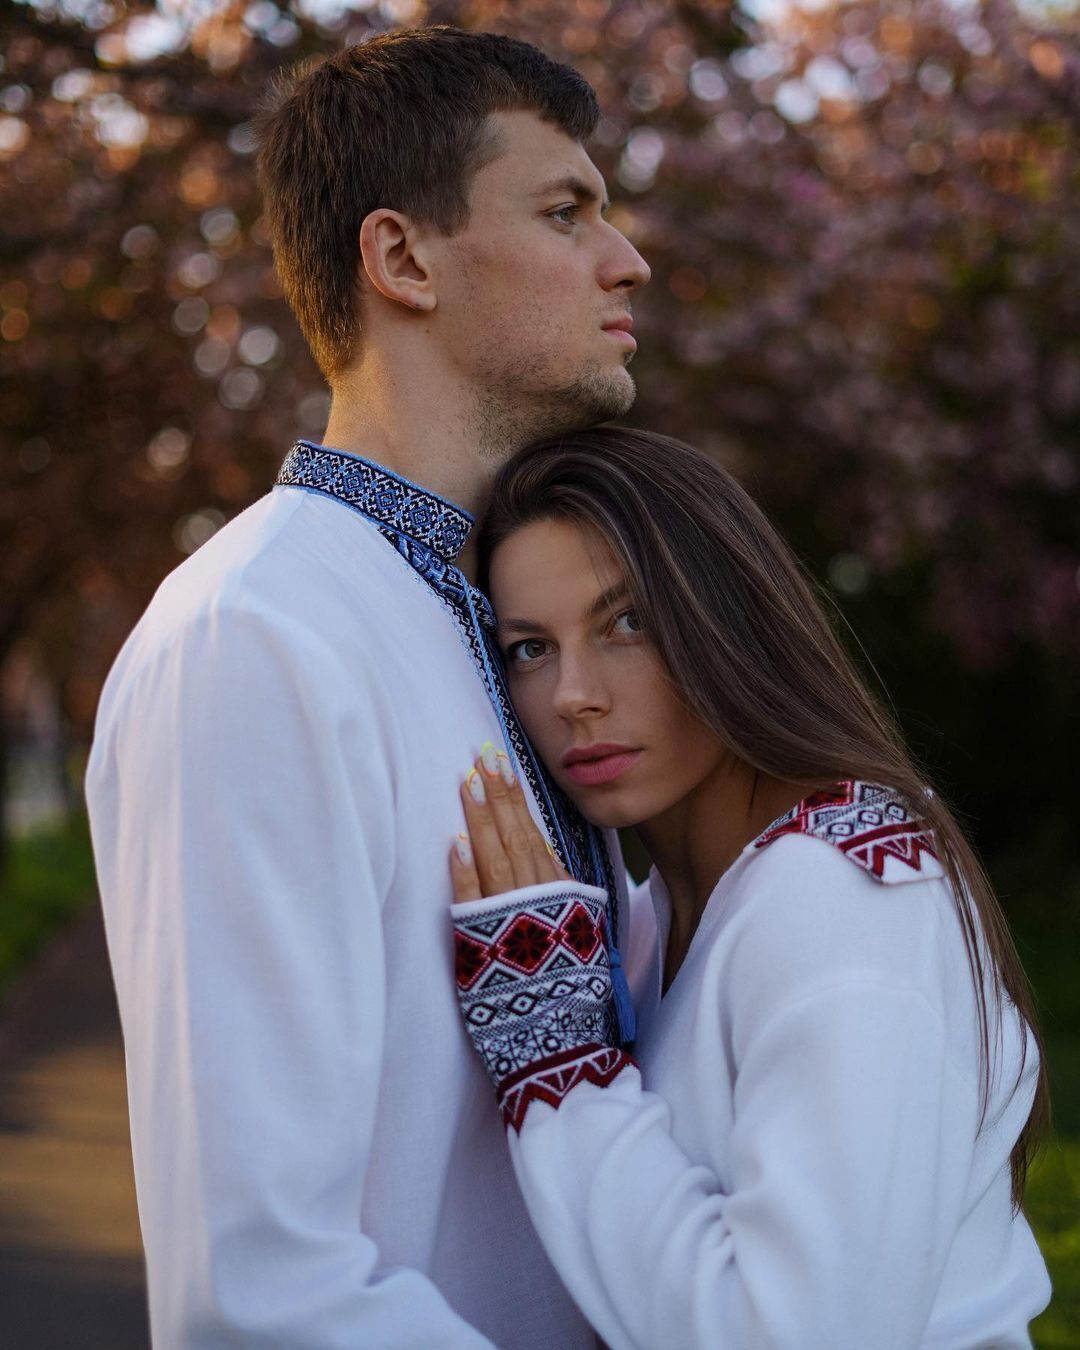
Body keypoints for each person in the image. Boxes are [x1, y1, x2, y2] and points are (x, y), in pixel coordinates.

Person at [86, 28, 649, 1347]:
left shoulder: (520, 630)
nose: (626, 261)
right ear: (401, 259)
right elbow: (260, 1289)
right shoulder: (255, 637)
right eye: (565, 211)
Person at [447, 425, 1052, 1349]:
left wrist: (558, 1061)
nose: (574, 694)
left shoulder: (847, 896)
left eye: (627, 623)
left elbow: (792, 1333)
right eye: (529, 648)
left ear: (728, 619)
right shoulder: (654, 921)